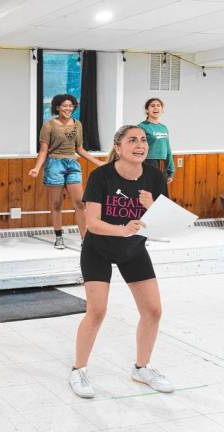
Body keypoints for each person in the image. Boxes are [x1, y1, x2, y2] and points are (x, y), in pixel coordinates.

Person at [68, 125, 174, 398]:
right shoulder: (101, 176)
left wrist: (151, 206)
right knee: (97, 311)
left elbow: (164, 223)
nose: (140, 145)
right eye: (132, 140)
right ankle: (78, 370)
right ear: (118, 148)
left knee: (153, 310)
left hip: (134, 249)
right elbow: (91, 223)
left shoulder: (154, 176)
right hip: (99, 250)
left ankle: (142, 367)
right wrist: (122, 229)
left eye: (143, 140)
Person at [29, 94, 103, 249]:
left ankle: (85, 239)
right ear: (57, 107)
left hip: (72, 164)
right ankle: (59, 236)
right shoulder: (49, 125)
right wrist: (36, 168)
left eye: (71, 106)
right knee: (56, 204)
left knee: (80, 203)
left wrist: (98, 162)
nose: (68, 108)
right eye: (64, 105)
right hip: (54, 165)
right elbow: (43, 151)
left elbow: (80, 149)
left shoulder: (78, 124)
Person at [138, 98, 174, 183]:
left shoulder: (164, 128)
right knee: (147, 192)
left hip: (162, 164)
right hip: (147, 163)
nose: (156, 108)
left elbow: (168, 150)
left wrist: (171, 170)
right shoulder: (141, 127)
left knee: (161, 193)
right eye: (152, 106)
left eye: (158, 106)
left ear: (162, 110)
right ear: (147, 110)